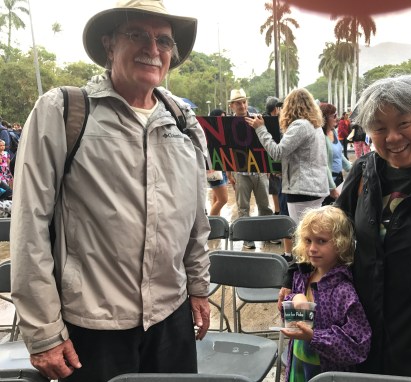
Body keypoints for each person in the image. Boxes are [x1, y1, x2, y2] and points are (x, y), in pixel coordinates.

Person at [10, 1, 211, 381]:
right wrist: (43, 333)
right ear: (109, 45)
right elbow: (28, 225)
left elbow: (196, 218)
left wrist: (198, 288)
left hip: (171, 319)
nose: (153, 49)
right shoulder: (64, 111)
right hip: (92, 327)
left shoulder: (184, 123)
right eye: (137, 35)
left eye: (163, 40)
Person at [280, 75, 411, 377]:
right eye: (379, 128)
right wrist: (295, 271)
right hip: (366, 324)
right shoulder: (364, 170)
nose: (392, 137)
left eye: (404, 124)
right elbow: (329, 229)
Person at [281, 205, 371, 381]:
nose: (312, 248)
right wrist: (293, 298)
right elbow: (288, 317)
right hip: (297, 364)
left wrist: (315, 336)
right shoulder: (302, 277)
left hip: (326, 373)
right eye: (308, 241)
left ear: (341, 243)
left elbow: (358, 345)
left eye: (321, 241)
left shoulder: (343, 291)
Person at [246, 88, 330, 225]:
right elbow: (304, 157)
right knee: (311, 233)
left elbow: (277, 153)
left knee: (301, 235)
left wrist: (260, 129)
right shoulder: (315, 126)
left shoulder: (300, 125)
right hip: (316, 188)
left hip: (302, 190)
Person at [226, 88, 273, 249]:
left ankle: (268, 234)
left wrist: (267, 166)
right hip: (240, 173)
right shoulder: (226, 125)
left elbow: (266, 142)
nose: (242, 105)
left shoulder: (256, 120)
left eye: (244, 102)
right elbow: (224, 149)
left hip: (259, 171)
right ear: (232, 106)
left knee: (265, 205)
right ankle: (247, 238)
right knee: (243, 207)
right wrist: (228, 173)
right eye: (238, 103)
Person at [319, 103, 351, 206]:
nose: (336, 119)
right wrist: (331, 187)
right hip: (328, 183)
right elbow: (323, 164)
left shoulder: (334, 132)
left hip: (338, 179)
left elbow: (339, 155)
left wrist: (352, 169)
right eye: (334, 116)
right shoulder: (320, 136)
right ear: (325, 118)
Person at [207, 108, 228, 216]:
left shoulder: (223, 133)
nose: (223, 120)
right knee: (223, 199)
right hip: (214, 169)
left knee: (216, 199)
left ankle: (216, 223)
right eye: (220, 118)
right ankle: (212, 224)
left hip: (221, 168)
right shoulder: (209, 134)